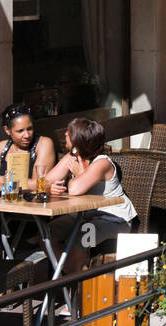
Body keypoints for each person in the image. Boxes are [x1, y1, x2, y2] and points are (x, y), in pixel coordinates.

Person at [45, 117, 137, 273]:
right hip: (83, 215)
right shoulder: (72, 156)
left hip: (113, 219)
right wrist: (50, 188)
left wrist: (78, 172)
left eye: (70, 132)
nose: (66, 133)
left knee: (84, 234)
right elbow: (47, 180)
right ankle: (71, 274)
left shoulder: (101, 163)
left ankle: (72, 282)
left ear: (79, 140)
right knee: (47, 233)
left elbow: (74, 189)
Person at [0, 104, 56, 188]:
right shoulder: (2, 146)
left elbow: (38, 185)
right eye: (20, 131)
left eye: (29, 129)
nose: (27, 135)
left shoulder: (44, 144)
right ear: (7, 130)